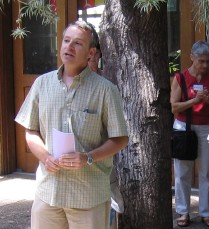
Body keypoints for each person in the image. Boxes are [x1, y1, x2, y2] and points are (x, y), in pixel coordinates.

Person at [15, 20, 129, 229]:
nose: (69, 47)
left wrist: (88, 158)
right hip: (48, 192)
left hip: (88, 195)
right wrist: (45, 157)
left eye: (77, 43)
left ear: (91, 53)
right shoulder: (42, 84)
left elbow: (120, 138)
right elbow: (30, 130)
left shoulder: (105, 90)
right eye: (66, 41)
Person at [170, 40, 209, 227]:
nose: (205, 65)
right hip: (184, 127)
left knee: (207, 171)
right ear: (192, 57)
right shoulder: (180, 78)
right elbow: (174, 106)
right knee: (183, 172)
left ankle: (206, 212)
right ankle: (183, 212)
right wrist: (194, 101)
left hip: (207, 126)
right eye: (201, 61)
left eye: (208, 61)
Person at [85, 22, 125, 229]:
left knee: (109, 210)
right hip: (75, 170)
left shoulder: (108, 86)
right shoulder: (58, 83)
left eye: (93, 54)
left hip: (104, 165)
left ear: (98, 54)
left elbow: (118, 133)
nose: (90, 59)